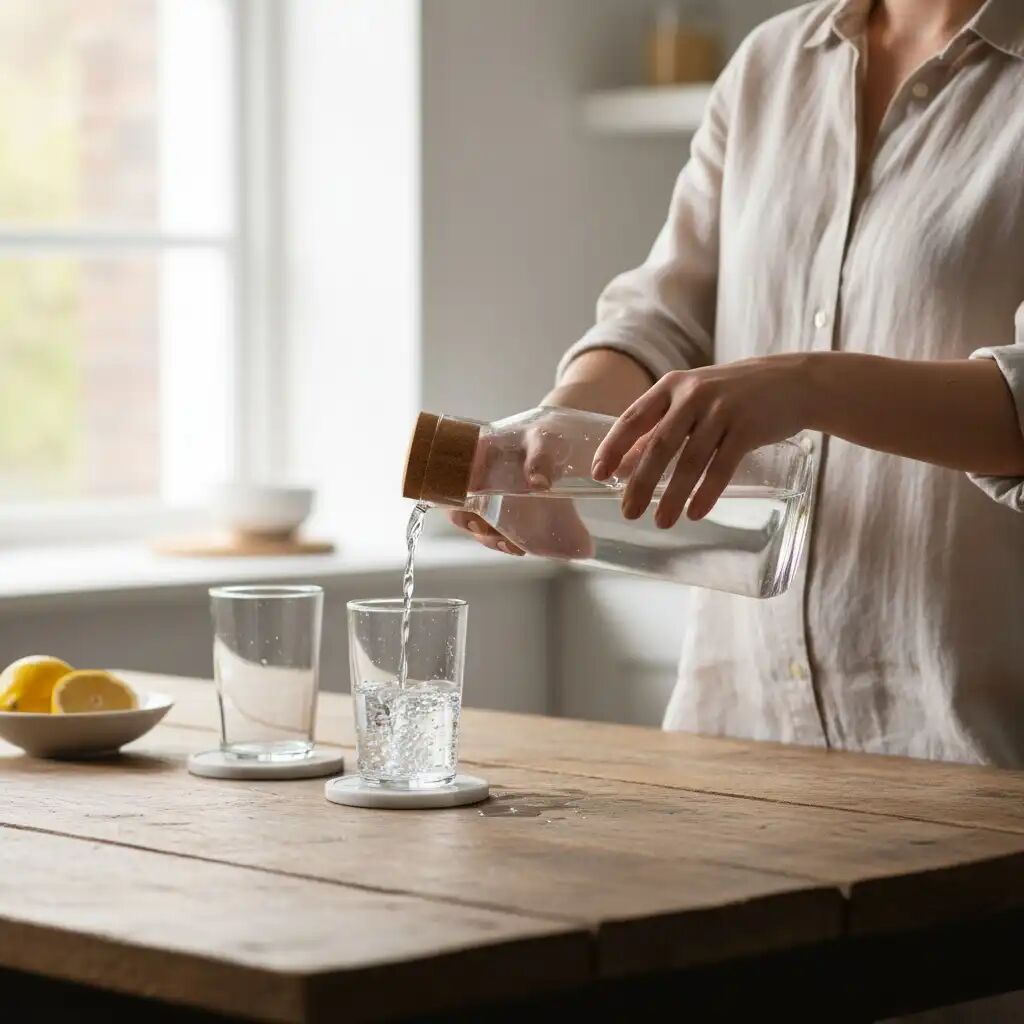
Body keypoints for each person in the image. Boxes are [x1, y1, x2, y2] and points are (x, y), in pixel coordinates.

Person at [452, 0, 1024, 772]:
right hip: (738, 738)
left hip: (974, 756)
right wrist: (553, 434)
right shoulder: (770, 63)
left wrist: (807, 385)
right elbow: (659, 324)